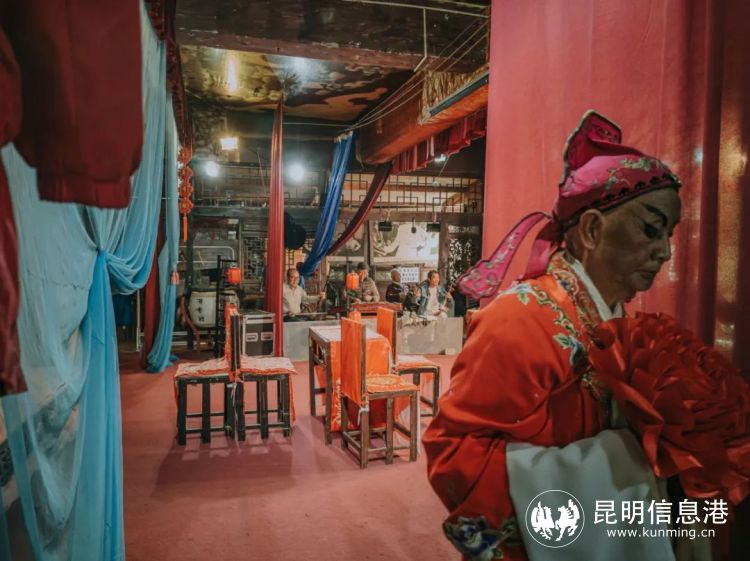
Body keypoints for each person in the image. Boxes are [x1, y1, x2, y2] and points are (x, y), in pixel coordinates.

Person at [422, 111, 709, 561]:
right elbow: (454, 453)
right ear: (592, 229)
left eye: (668, 235)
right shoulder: (518, 319)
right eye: (651, 229)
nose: (665, 252)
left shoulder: (621, 321)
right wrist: (620, 460)